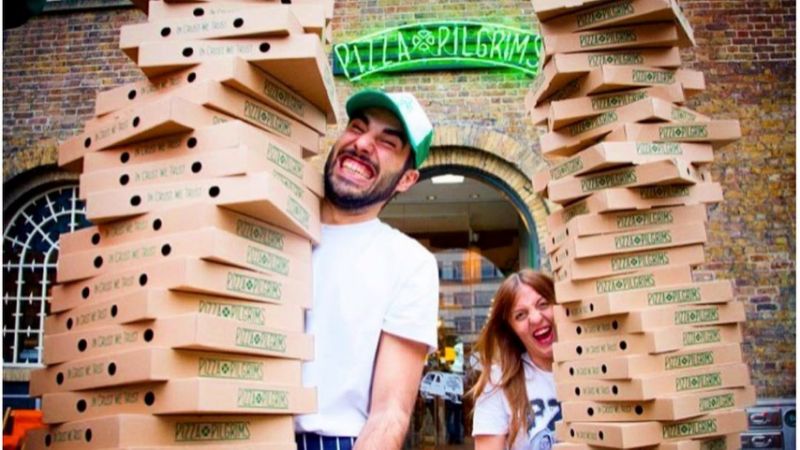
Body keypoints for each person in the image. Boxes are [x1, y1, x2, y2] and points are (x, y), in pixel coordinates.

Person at [294, 89, 439, 450]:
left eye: (387, 143)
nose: (362, 144)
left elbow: (389, 412)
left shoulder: (409, 263)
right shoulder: (277, 223)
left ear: (406, 180)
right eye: (357, 128)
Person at [469, 269, 561, 450]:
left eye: (543, 304)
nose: (535, 318)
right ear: (511, 329)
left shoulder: (595, 365)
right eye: (521, 315)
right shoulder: (497, 383)